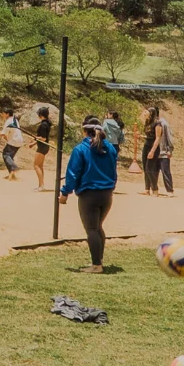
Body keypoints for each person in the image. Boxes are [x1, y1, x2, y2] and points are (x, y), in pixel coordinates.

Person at [58, 116, 119, 273]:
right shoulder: (110, 148)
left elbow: (73, 173)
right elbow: (114, 170)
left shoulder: (80, 149)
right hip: (107, 194)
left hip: (89, 195)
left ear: (84, 130)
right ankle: (99, 260)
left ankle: (96, 265)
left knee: (91, 229)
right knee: (98, 227)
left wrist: (65, 193)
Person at [144, 103, 175, 195]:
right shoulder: (150, 123)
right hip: (155, 150)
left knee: (165, 171)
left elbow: (169, 136)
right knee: (153, 170)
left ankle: (170, 190)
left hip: (163, 150)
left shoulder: (163, 123)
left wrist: (170, 149)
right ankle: (153, 188)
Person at [0, 103, 25, 180]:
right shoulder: (15, 120)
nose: (2, 115)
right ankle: (11, 174)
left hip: (14, 141)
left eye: (3, 113)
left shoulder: (8, 121)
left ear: (7, 114)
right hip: (19, 141)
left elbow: (3, 133)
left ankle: (13, 167)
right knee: (10, 157)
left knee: (6, 154)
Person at [32, 105, 53, 190]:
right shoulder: (46, 123)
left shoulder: (43, 125)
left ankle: (41, 186)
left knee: (36, 165)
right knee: (40, 166)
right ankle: (41, 185)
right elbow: (43, 138)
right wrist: (34, 142)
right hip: (44, 146)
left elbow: (43, 138)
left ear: (40, 115)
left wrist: (36, 138)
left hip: (42, 147)